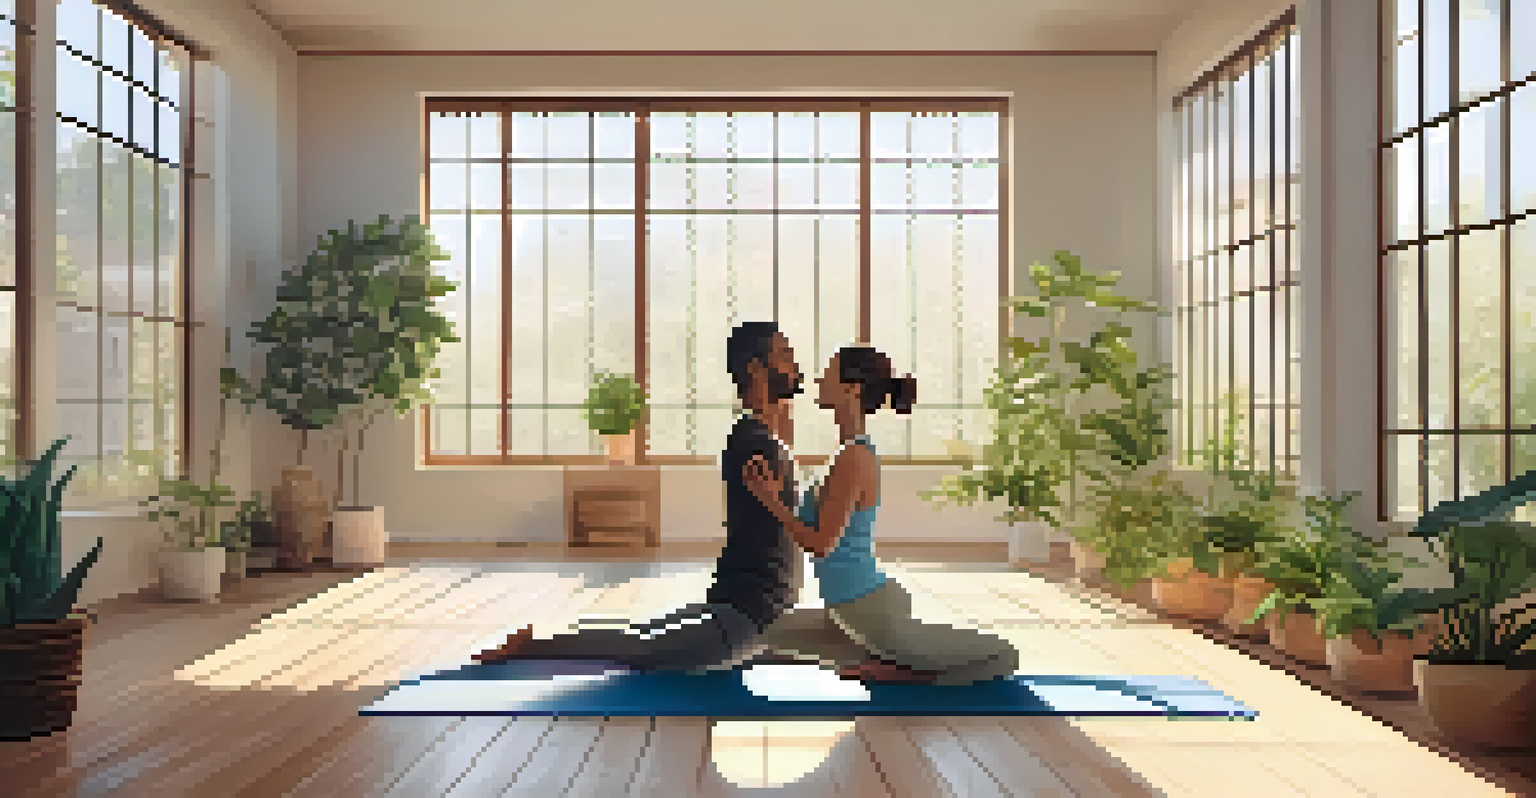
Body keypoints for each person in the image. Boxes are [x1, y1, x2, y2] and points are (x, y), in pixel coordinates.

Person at [470, 321, 807, 672]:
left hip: (746, 607)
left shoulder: (764, 438)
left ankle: (539, 638)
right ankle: (533, 646)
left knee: (642, 633)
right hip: (748, 617)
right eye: (784, 355)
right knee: (642, 648)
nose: (794, 363)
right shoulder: (754, 444)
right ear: (756, 368)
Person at [744, 344, 1021, 685]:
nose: (818, 379)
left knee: (1004, 655)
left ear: (852, 389)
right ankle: (874, 653)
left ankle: (905, 671)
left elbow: (820, 545)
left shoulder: (854, 457)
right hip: (846, 609)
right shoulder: (844, 453)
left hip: (867, 610)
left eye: (828, 373)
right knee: (772, 635)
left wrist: (771, 502)